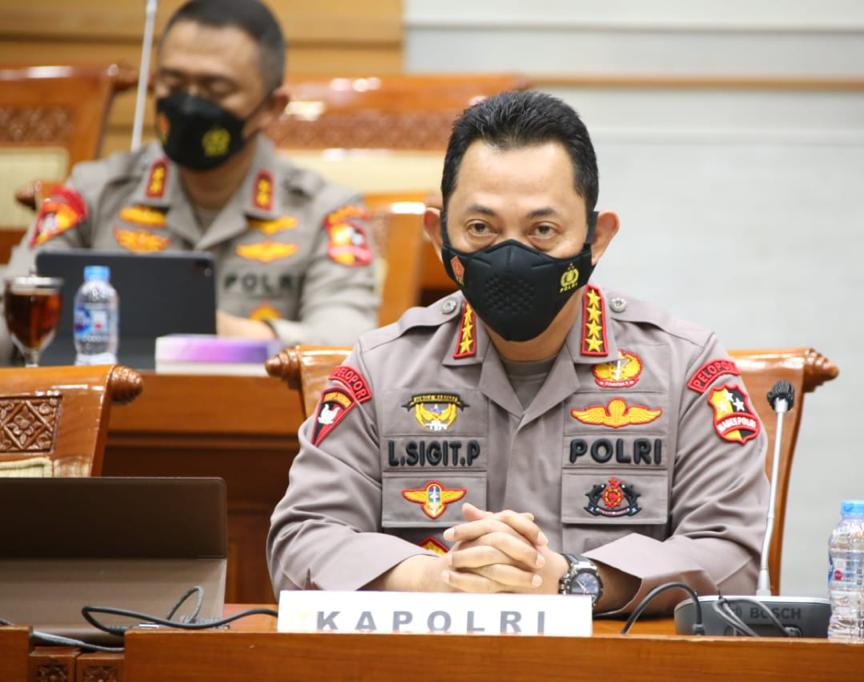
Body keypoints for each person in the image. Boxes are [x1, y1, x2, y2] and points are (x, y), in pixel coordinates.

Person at [267, 91, 769, 615]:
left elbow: (731, 554)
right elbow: (301, 542)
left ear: (596, 239)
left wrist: (574, 580)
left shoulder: (683, 369)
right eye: (480, 229)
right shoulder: (381, 369)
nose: (510, 258)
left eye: (542, 231)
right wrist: (431, 577)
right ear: (438, 235)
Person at [1, 0, 378, 363]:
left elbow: (346, 343)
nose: (190, 104)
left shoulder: (325, 210)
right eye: (174, 82)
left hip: (257, 404)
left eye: (216, 89)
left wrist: (216, 334)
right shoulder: (94, 192)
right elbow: (10, 312)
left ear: (271, 107)